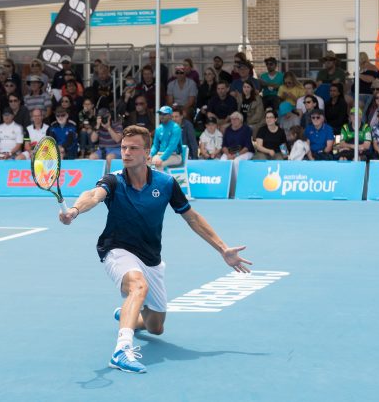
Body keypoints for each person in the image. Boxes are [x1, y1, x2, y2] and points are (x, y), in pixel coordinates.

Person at [58, 125, 251, 374]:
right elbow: (93, 195)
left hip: (151, 258)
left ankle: (129, 313)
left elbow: (192, 218)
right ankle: (122, 351)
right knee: (138, 286)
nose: (126, 153)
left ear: (147, 154)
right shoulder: (114, 180)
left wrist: (222, 249)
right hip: (117, 249)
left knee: (156, 326)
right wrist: (74, 211)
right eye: (123, 148)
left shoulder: (166, 183)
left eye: (133, 148)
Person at [149, 106, 182, 170]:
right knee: (145, 162)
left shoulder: (176, 128)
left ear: (170, 115)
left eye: (164, 114)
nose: (162, 116)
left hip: (175, 156)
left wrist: (162, 158)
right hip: (159, 155)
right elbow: (155, 146)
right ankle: (146, 180)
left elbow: (171, 147)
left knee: (159, 164)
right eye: (160, 114)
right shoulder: (158, 128)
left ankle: (160, 180)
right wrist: (150, 155)